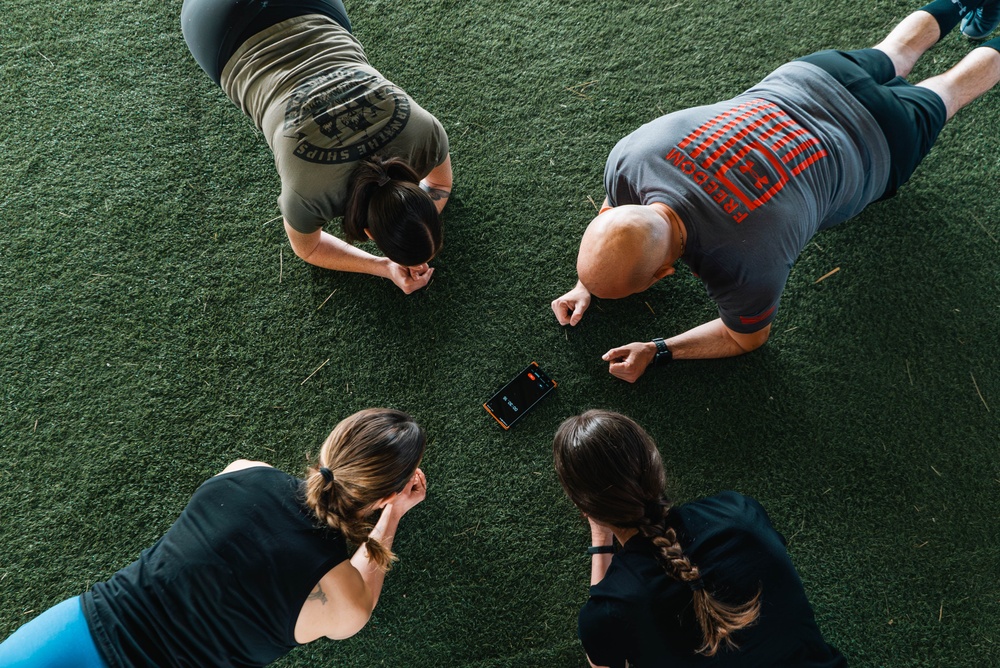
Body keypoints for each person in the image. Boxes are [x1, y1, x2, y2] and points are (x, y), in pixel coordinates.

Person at [551, 0, 1000, 381]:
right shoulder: (629, 157)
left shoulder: (746, 263)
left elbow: (743, 337)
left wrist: (658, 349)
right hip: (816, 76)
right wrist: (588, 282)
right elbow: (615, 216)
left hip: (880, 141)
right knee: (897, 49)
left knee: (950, 88)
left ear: (663, 275)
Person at [0, 408, 428, 667]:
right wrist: (392, 516)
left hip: (78, 629)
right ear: (384, 495)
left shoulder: (243, 470)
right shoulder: (344, 601)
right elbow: (361, 596)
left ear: (331, 446)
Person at [182, 0, 452, 294]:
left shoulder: (425, 134)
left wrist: (407, 233)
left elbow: (440, 184)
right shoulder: (309, 195)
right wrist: (383, 265)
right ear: (369, 233)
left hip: (311, 9)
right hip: (223, 28)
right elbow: (309, 250)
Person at [553, 410, 846, 667]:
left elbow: (603, 664)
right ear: (656, 466)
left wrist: (601, 540)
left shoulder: (609, 609)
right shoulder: (740, 514)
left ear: (584, 508)